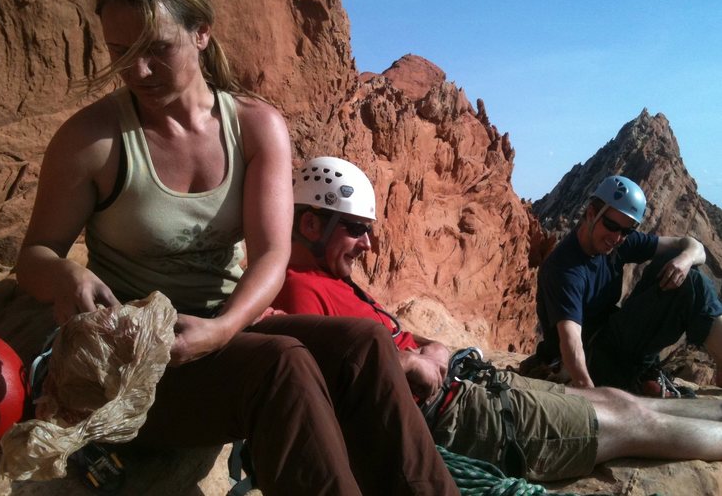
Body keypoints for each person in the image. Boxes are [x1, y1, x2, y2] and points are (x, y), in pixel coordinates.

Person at [15, 0, 459, 495]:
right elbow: (35, 256)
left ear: (201, 33)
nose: (137, 69)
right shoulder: (93, 141)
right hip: (139, 360)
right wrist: (68, 276)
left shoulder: (253, 127)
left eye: (156, 49)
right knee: (280, 364)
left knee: (365, 343)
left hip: (221, 332)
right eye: (119, 51)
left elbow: (272, 253)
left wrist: (223, 328)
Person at [274, 156, 722, 483]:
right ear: (311, 226)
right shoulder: (300, 292)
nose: (368, 245)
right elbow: (329, 393)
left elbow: (383, 340)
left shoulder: (331, 279)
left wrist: (431, 347)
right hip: (458, 415)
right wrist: (410, 363)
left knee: (614, 402)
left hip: (468, 387)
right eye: (355, 229)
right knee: (628, 424)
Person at [528, 174, 722, 393]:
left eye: (627, 231)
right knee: (690, 284)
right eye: (611, 225)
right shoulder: (565, 268)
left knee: (677, 270)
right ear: (591, 214)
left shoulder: (618, 242)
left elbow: (694, 247)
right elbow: (571, 343)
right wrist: (591, 397)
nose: (617, 237)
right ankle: (638, 378)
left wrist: (684, 260)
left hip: (613, 339)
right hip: (592, 357)